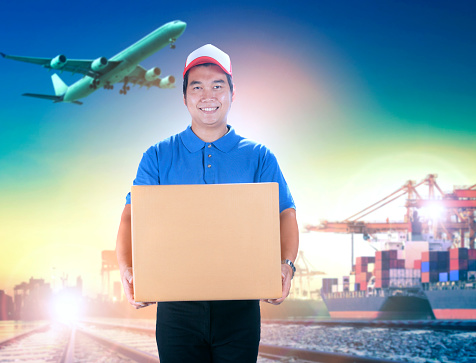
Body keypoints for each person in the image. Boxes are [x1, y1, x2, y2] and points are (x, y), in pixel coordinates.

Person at [116, 44, 299, 363]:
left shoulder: (258, 156)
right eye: (197, 87)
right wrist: (127, 270)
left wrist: (287, 265)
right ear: (184, 96)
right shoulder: (158, 156)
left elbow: (285, 212)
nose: (208, 95)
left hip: (240, 308)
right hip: (176, 311)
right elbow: (131, 218)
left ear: (232, 92)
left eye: (217, 85)